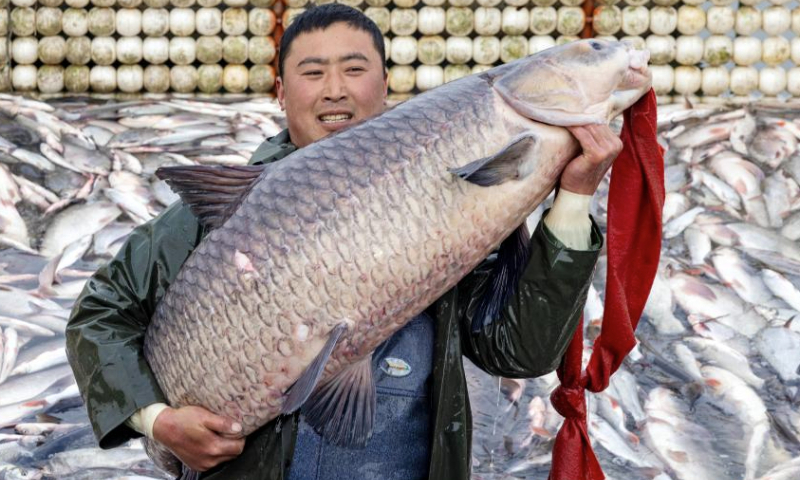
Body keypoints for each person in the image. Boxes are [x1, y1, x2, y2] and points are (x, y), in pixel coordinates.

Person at [66, 4, 622, 479]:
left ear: (385, 84)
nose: (335, 89)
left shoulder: (461, 202)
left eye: (354, 69)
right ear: (281, 92)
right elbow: (99, 315)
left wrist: (573, 200)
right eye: (313, 73)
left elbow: (520, 351)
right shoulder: (211, 216)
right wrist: (157, 419)